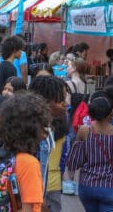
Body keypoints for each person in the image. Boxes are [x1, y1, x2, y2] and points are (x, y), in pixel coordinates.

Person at [66, 91, 113, 211]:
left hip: (87, 186)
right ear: (111, 112)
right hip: (111, 188)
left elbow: (74, 161)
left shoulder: (84, 131)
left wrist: (71, 174)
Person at [0, 92, 52, 211]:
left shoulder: (0, 154)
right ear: (32, 128)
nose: (44, 133)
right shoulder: (28, 163)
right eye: (42, 125)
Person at [29, 76, 70, 211]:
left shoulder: (46, 129)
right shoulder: (37, 135)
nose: (66, 103)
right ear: (45, 102)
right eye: (61, 99)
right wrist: (40, 202)